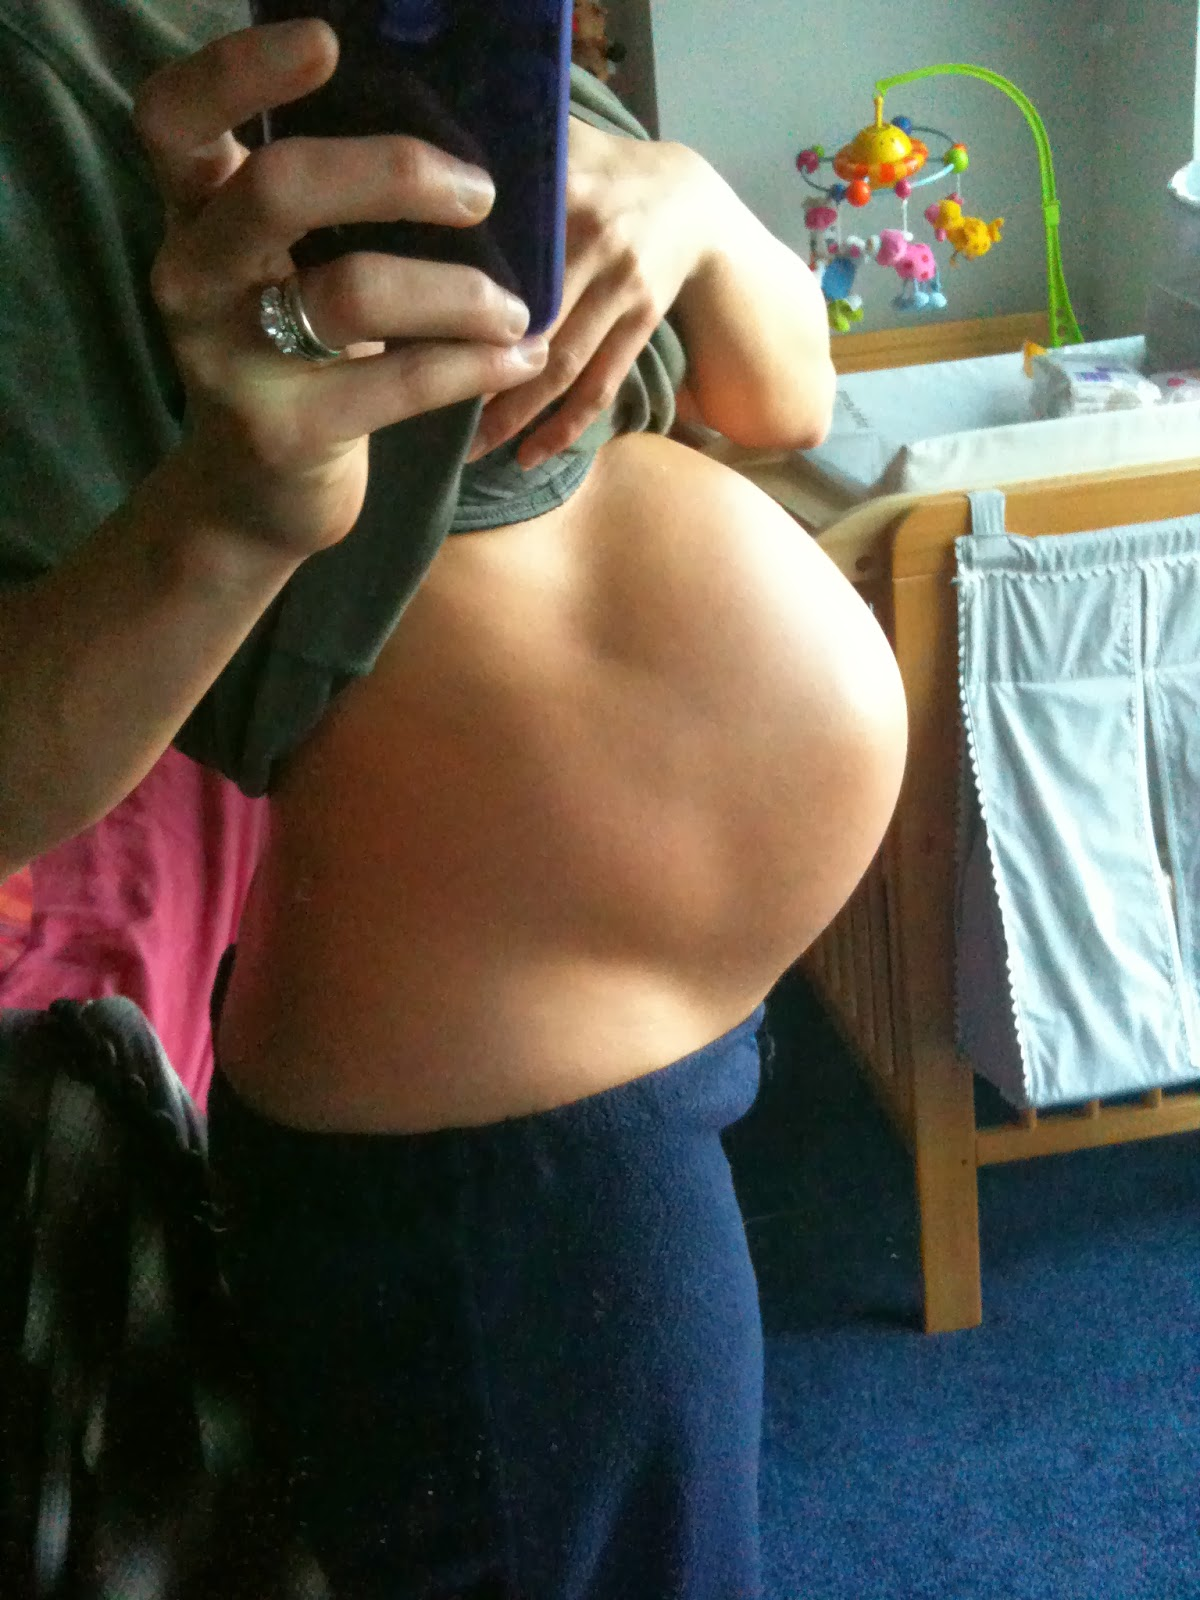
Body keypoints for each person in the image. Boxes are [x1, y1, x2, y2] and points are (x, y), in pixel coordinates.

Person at [0, 4, 907, 1597]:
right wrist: (234, 508)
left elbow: (791, 404)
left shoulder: (460, 30)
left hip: (639, 1066)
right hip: (483, 1120)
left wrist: (694, 206)